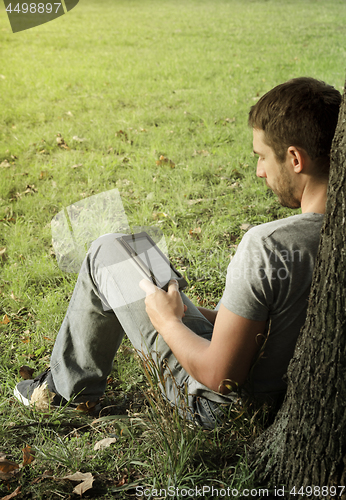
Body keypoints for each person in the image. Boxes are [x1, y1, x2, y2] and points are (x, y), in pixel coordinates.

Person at [14, 77, 341, 428]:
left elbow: (219, 377)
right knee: (133, 250)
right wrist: (199, 314)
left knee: (105, 251)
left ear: (294, 158)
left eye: (261, 157)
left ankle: (61, 393)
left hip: (220, 409)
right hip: (277, 387)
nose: (259, 171)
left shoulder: (269, 245)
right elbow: (279, 321)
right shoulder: (330, 235)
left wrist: (167, 321)